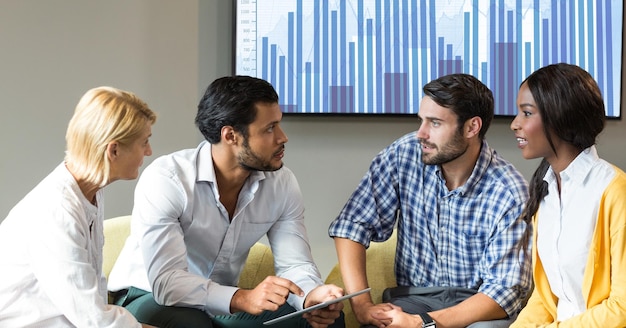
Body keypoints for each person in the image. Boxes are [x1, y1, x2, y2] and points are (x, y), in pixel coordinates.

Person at [108, 75, 345, 328]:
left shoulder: (281, 183)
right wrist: (242, 297)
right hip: (149, 295)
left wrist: (311, 296)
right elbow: (166, 283)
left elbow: (295, 263)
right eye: (269, 128)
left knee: (323, 322)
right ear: (231, 135)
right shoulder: (168, 178)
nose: (282, 137)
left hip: (222, 301)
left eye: (279, 125)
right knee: (192, 324)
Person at [328, 73, 531, 328]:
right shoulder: (404, 155)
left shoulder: (509, 192)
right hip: (412, 299)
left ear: (471, 127)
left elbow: (503, 292)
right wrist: (363, 306)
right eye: (421, 121)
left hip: (477, 310)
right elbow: (351, 226)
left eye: (434, 123)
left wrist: (422, 323)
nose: (421, 134)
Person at [0, 86, 157, 327]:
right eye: (144, 142)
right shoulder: (56, 211)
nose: (149, 151)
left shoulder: (90, 192)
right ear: (113, 150)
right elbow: (93, 319)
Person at [509, 63, 626, 327]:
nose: (515, 124)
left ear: (560, 116)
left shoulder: (615, 191)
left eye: (527, 113)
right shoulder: (545, 193)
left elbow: (622, 308)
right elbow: (546, 296)